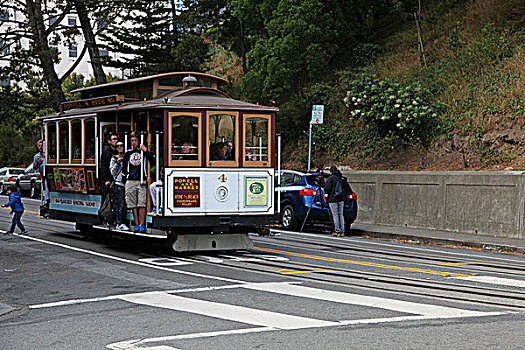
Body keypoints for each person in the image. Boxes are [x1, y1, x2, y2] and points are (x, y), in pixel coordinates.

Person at [122, 132, 154, 233]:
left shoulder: (143, 152)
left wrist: (146, 151)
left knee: (142, 203)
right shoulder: (128, 153)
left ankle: (142, 224)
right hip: (130, 180)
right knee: (132, 204)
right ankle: (136, 224)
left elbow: (153, 161)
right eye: (132, 141)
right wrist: (126, 177)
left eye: (135, 140)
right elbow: (124, 166)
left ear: (139, 141)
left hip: (141, 180)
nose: (134, 143)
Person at [110, 142, 129, 231]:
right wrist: (117, 164)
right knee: (120, 203)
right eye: (118, 146)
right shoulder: (114, 158)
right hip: (119, 183)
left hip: (128, 182)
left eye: (122, 146)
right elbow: (112, 173)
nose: (120, 147)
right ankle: (119, 223)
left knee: (127, 203)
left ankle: (124, 221)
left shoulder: (128, 156)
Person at [324, 165, 345, 237]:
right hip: (341, 199)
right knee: (341, 215)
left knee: (335, 215)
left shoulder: (331, 178)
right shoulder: (341, 178)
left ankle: (337, 230)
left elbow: (327, 188)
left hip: (333, 199)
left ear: (331, 172)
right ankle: (342, 231)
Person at [33, 140, 49, 209]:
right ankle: (45, 201)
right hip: (43, 175)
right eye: (39, 146)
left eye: (42, 146)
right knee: (44, 188)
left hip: (50, 175)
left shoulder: (48, 154)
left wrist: (46, 157)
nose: (40, 147)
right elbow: (34, 167)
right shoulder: (37, 156)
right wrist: (37, 162)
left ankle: (48, 200)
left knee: (48, 187)